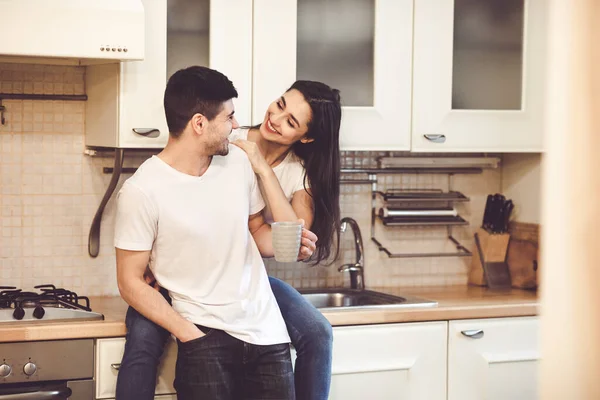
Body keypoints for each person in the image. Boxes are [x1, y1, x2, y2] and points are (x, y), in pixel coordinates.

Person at [115, 79, 342, 400]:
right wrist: (152, 258)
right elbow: (172, 186)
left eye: (291, 121)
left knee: (318, 332)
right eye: (279, 104)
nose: (275, 119)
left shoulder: (293, 171)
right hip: (185, 275)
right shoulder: (223, 139)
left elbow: (285, 237)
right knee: (143, 338)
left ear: (305, 136)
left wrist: (262, 168)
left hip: (239, 272)